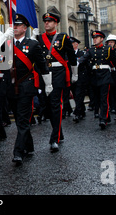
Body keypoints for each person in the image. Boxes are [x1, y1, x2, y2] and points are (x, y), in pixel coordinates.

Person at [2, 14, 48, 164]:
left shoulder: (33, 44)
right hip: (10, 87)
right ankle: (29, 145)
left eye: (18, 25)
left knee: (22, 120)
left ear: (24, 28)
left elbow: (42, 66)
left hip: (26, 87)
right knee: (19, 119)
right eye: (13, 25)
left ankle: (18, 152)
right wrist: (3, 38)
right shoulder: (6, 44)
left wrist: (48, 84)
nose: (14, 27)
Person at [38, 13, 77, 152]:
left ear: (56, 23)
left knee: (55, 104)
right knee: (47, 106)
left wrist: (75, 73)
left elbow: (71, 56)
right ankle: (59, 131)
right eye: (45, 21)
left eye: (50, 21)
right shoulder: (39, 38)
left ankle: (54, 138)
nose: (47, 23)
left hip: (58, 73)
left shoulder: (63, 37)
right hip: (44, 74)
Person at [79, 31, 116, 129]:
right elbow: (84, 58)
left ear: (102, 39)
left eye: (97, 38)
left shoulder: (108, 49)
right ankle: (106, 116)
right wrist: (77, 63)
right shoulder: (91, 50)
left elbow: (115, 62)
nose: (94, 39)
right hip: (95, 76)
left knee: (104, 98)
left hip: (105, 75)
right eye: (94, 38)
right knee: (97, 98)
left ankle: (102, 119)